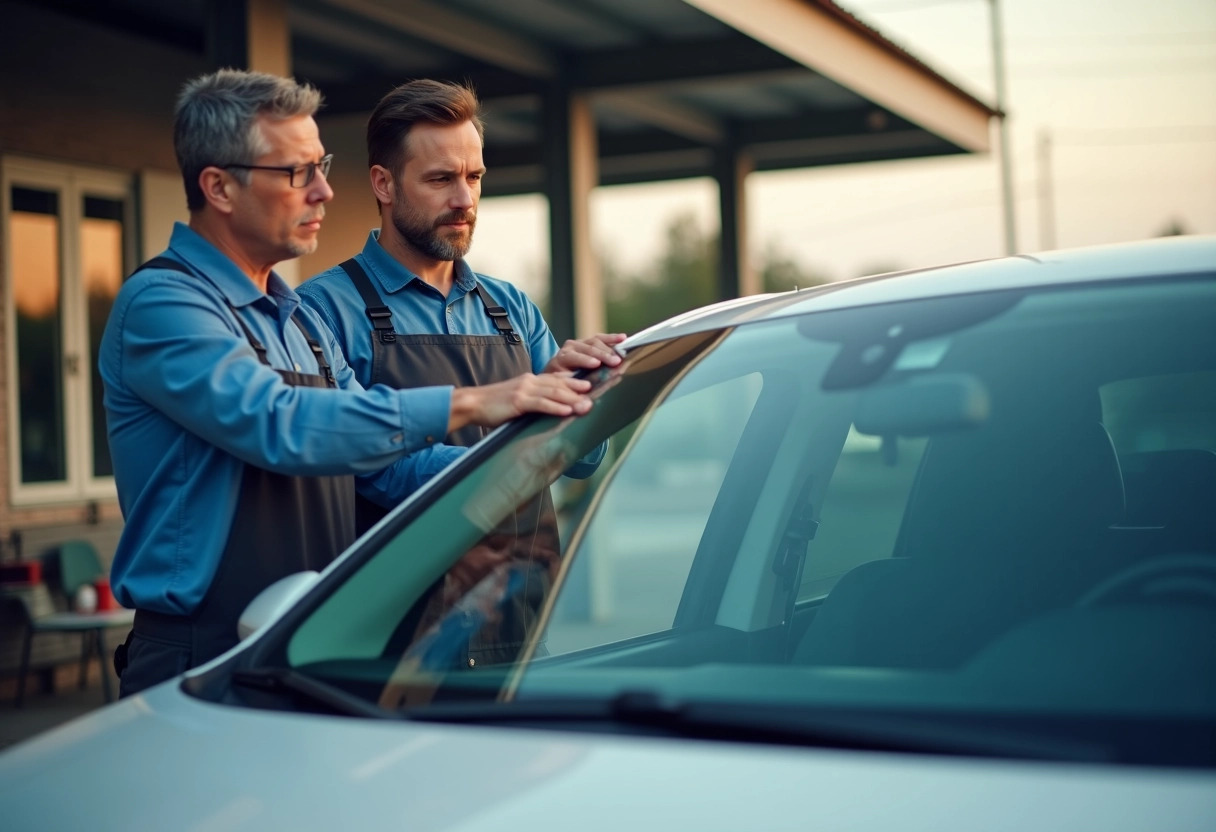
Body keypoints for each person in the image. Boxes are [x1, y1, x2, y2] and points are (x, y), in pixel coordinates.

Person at [99, 69, 593, 697]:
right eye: (297, 173)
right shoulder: (163, 305)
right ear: (219, 187)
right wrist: (482, 402)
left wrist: (564, 413)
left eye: (321, 166)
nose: (325, 192)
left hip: (306, 639)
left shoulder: (297, 321)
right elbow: (279, 423)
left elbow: (378, 445)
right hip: (205, 653)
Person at [297, 79, 623, 670]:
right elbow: (374, 468)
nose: (465, 200)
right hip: (394, 647)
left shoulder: (510, 307)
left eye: (473, 177)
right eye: (441, 179)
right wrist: (526, 444)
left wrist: (581, 398)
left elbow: (583, 459)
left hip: (520, 634)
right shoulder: (325, 309)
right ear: (383, 184)